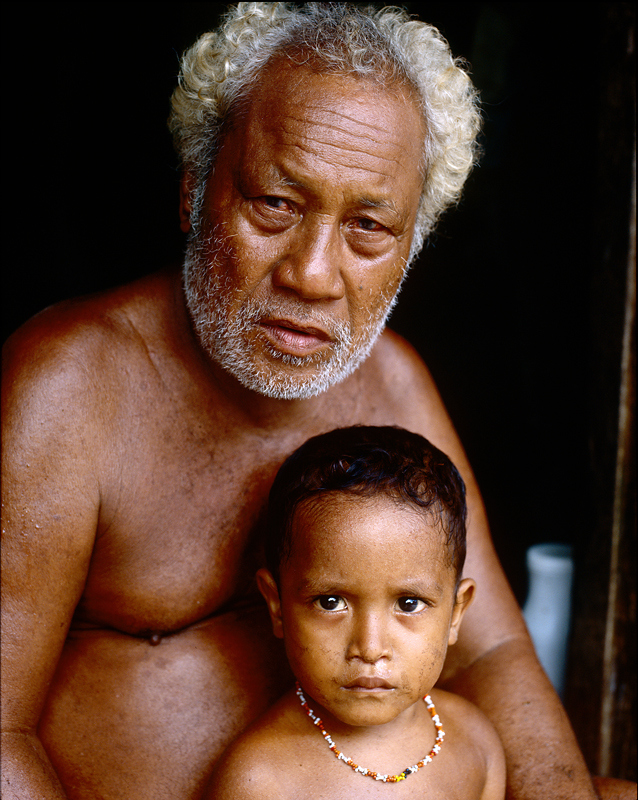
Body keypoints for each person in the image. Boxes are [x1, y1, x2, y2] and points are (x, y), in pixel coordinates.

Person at [0, 3, 616, 799]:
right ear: (196, 190)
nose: (313, 275)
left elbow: (490, 653)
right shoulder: (69, 386)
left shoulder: (392, 380)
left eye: (368, 227)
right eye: (276, 205)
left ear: (412, 247)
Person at [206, 425, 507, 799]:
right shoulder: (260, 781)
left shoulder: (475, 742)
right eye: (330, 602)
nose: (369, 647)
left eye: (408, 603)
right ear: (277, 606)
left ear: (456, 613)